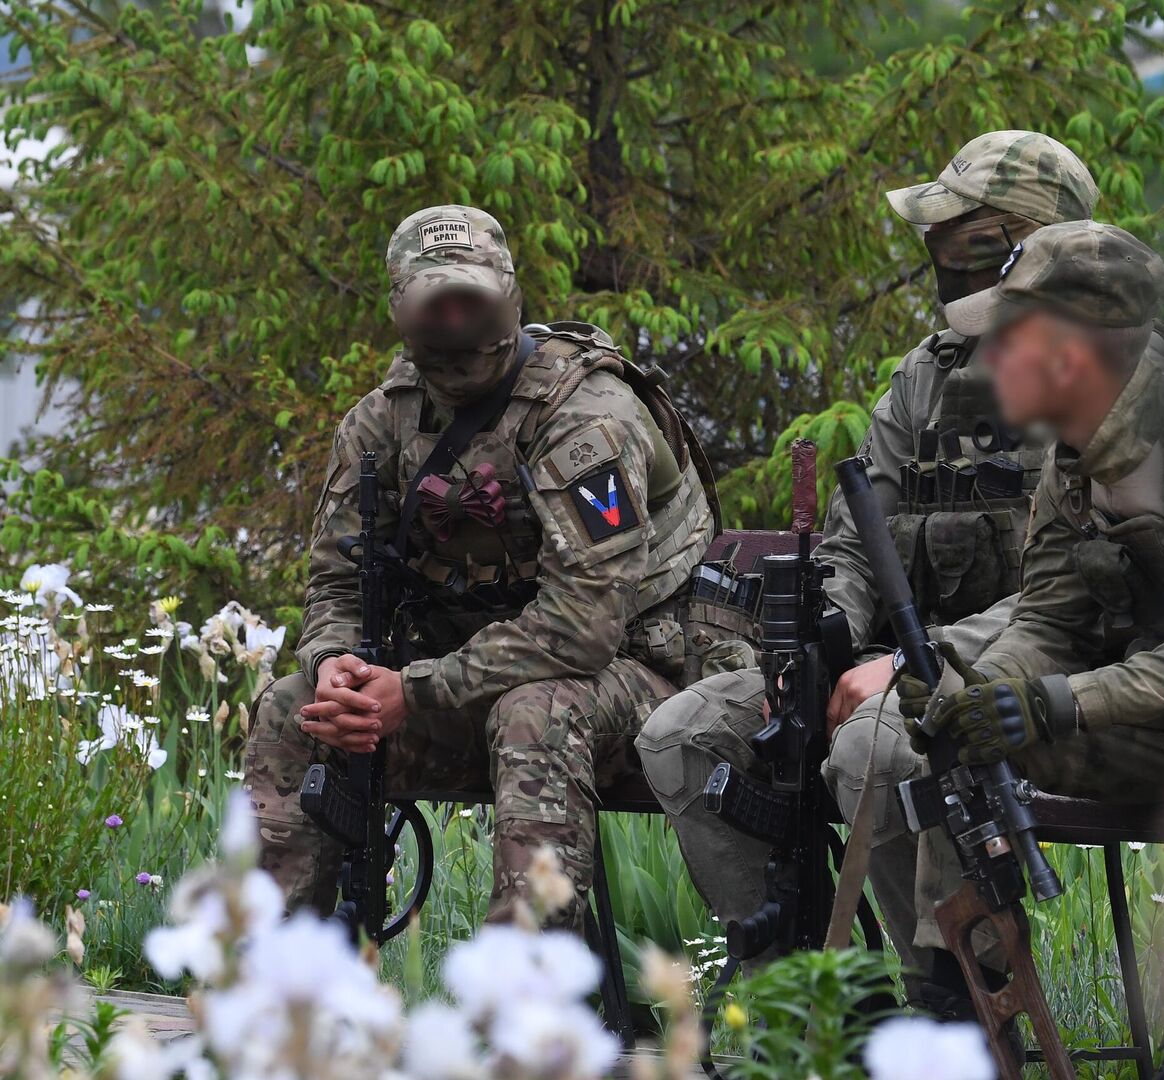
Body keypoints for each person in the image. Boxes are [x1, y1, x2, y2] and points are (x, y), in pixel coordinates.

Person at [636, 130, 1103, 967]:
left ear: (1025, 251)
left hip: (1051, 678)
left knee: (872, 749)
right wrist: (822, 637)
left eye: (963, 244)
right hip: (897, 666)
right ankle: (806, 1007)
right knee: (683, 734)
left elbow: (1085, 593)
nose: (941, 264)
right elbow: (859, 546)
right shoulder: (927, 376)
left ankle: (952, 1008)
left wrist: (908, 667)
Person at [243, 204, 715, 926]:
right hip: (466, 684)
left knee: (537, 711)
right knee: (291, 708)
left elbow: (585, 628)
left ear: (507, 293)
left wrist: (417, 688)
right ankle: (274, 982)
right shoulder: (382, 421)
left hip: (638, 679)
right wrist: (335, 663)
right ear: (402, 308)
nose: (456, 319)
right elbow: (338, 578)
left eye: (472, 298)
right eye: (437, 302)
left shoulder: (586, 421)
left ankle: (523, 996)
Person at [853, 220, 1164, 1006]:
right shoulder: (1074, 449)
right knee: (950, 741)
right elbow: (1051, 616)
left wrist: (1056, 701)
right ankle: (957, 1005)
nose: (990, 359)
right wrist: (987, 689)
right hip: (1139, 714)